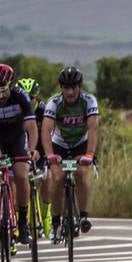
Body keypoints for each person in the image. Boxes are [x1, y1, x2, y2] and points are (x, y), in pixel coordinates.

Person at [41, 66, 100, 235]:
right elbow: (46, 130)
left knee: (81, 173)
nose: (70, 92)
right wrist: (49, 155)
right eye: (66, 88)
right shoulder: (54, 102)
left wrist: (89, 154)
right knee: (58, 177)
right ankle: (56, 221)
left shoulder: (89, 100)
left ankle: (83, 216)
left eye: (74, 87)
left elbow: (93, 129)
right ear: (61, 88)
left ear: (79, 87)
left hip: (81, 144)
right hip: (59, 144)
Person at [0, 63, 37, 245]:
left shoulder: (20, 96)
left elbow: (31, 126)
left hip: (16, 139)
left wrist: (31, 149)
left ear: (11, 85)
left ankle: (23, 223)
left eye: (3, 90)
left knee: (22, 175)